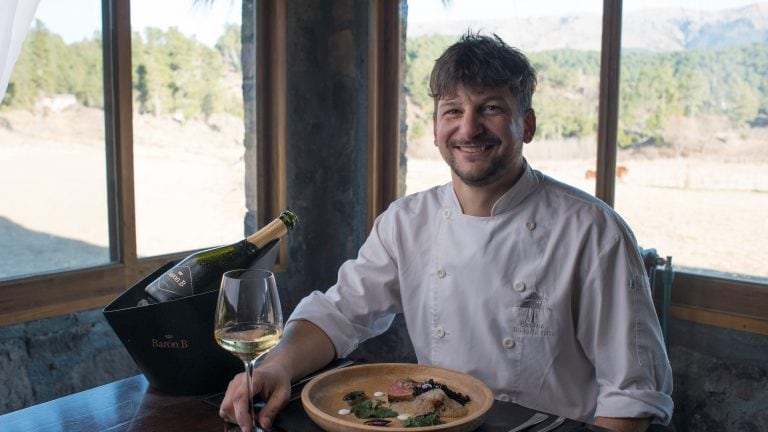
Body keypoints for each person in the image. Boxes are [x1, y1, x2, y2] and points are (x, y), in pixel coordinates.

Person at [219, 32, 673, 432]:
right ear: (436, 129)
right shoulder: (406, 221)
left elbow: (630, 392)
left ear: (527, 125)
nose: (469, 127)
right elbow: (340, 314)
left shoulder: (593, 230)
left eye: (490, 108)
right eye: (452, 110)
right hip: (436, 424)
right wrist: (277, 366)